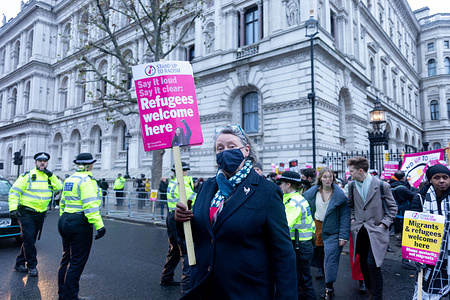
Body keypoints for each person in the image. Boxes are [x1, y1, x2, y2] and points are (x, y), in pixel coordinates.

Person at [175, 125, 297, 299]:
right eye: (220, 148)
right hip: (205, 287)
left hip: (245, 291)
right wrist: (182, 222)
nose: (225, 152)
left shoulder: (267, 191)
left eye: (231, 147)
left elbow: (283, 253)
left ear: (246, 150)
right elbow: (200, 237)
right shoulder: (206, 187)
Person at [347, 156, 397, 300]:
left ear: (360, 170)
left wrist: (383, 225)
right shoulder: (351, 185)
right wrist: (352, 219)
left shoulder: (382, 185)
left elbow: (393, 208)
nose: (350, 173)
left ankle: (377, 296)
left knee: (373, 264)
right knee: (363, 264)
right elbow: (351, 206)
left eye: (351, 171)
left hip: (376, 231)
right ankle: (370, 292)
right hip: (359, 231)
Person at [58, 152, 106, 300]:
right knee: (76, 263)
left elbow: (63, 202)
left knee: (66, 259)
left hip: (65, 219)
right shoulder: (87, 180)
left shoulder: (70, 179)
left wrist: (64, 219)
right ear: (89, 165)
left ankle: (62, 294)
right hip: (79, 223)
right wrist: (100, 226)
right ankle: (70, 297)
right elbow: (90, 206)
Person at [9, 152, 62, 277]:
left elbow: (59, 187)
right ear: (35, 163)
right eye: (40, 161)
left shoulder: (49, 177)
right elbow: (14, 192)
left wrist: (52, 175)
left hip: (40, 214)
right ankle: (32, 265)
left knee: (29, 240)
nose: (42, 163)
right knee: (29, 239)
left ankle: (19, 263)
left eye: (45, 161)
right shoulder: (27, 176)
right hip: (26, 212)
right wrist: (13, 209)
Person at [303, 167, 350, 299]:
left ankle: (329, 288)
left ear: (333, 179)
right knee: (320, 256)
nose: (327, 179)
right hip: (316, 228)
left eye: (330, 177)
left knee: (330, 259)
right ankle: (322, 280)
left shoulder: (339, 195)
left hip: (332, 231)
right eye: (325, 177)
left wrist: (343, 236)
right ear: (320, 178)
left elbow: (345, 216)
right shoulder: (312, 193)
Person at [410, 164, 450, 299]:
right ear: (430, 180)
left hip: (449, 253)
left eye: (445, 177)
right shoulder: (420, 198)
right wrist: (415, 256)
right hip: (429, 253)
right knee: (428, 288)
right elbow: (413, 228)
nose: (442, 181)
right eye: (437, 178)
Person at [278, 170, 316, 300]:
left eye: (281, 183)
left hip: (300, 246)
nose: (280, 186)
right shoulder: (294, 199)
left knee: (303, 281)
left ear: (288, 185)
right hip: (303, 245)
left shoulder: (293, 202)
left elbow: (284, 227)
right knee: (302, 280)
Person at [160, 162, 196, 293]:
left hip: (171, 217)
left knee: (174, 249)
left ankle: (166, 277)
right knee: (186, 250)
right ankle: (187, 286)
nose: (187, 173)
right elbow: (193, 199)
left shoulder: (172, 182)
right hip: (180, 219)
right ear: (183, 171)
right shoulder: (182, 183)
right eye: (185, 170)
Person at [389, 170, 417, 270]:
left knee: (401, 229)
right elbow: (413, 195)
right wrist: (413, 187)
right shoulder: (402, 188)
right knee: (406, 230)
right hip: (403, 211)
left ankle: (400, 241)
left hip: (396, 211)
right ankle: (406, 257)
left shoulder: (391, 185)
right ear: (404, 178)